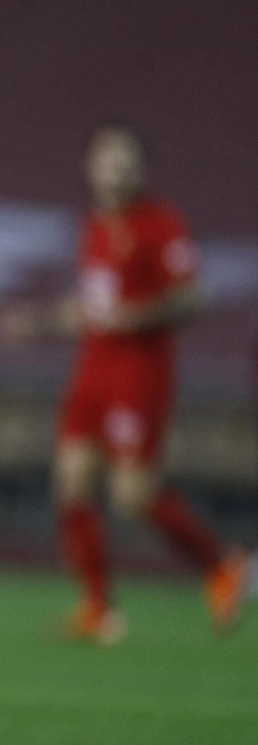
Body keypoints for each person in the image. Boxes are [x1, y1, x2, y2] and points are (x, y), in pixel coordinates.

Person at [47, 123, 248, 642]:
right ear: (91, 166)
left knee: (133, 495)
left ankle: (222, 563)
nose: (115, 170)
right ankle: (98, 608)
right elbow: (96, 304)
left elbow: (189, 296)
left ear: (140, 169)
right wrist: (51, 319)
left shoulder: (160, 224)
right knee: (71, 482)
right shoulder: (94, 225)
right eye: (107, 159)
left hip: (139, 372)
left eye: (125, 161)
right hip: (93, 367)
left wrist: (132, 316)